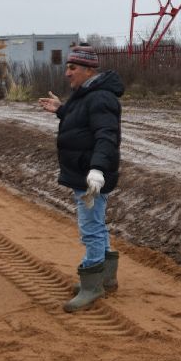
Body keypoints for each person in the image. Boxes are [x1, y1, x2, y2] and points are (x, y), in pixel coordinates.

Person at [38, 45, 123, 312]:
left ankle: (91, 285)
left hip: (91, 176)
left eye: (73, 68)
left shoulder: (100, 98)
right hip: (85, 172)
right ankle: (105, 278)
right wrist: (62, 110)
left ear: (88, 70)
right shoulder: (86, 94)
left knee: (91, 229)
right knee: (96, 223)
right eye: (68, 67)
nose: (67, 73)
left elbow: (106, 136)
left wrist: (96, 169)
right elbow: (84, 122)